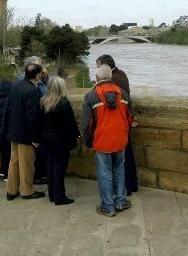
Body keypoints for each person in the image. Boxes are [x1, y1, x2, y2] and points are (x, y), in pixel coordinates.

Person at [82, 64, 132, 217]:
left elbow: (86, 124)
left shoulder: (91, 96)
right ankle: (121, 201)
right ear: (110, 77)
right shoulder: (123, 94)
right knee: (119, 169)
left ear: (96, 78)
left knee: (104, 173)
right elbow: (130, 117)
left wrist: (88, 141)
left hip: (102, 140)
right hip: (120, 139)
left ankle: (108, 206)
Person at [96, 54, 138, 195]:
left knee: (117, 162)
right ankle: (130, 186)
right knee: (126, 157)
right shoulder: (122, 74)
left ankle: (121, 190)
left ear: (105, 67)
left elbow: (110, 103)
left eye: (98, 67)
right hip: (124, 122)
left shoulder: (112, 81)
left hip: (115, 124)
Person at [5, 63, 45, 200]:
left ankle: (11, 190)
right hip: (25, 133)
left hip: (14, 131)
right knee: (27, 164)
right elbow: (32, 116)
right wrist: (35, 138)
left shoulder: (16, 85)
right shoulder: (32, 90)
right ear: (38, 75)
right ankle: (27, 191)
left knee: (14, 162)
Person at [40, 76, 80, 205]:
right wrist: (76, 136)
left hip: (46, 138)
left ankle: (52, 194)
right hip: (60, 140)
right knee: (59, 168)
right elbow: (70, 124)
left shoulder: (43, 101)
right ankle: (59, 196)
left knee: (50, 166)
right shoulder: (63, 103)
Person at [21, 56, 49, 185]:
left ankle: (40, 174)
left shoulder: (41, 81)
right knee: (35, 150)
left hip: (42, 119)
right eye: (40, 66)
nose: (43, 69)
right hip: (34, 121)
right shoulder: (28, 84)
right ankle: (36, 176)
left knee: (41, 150)